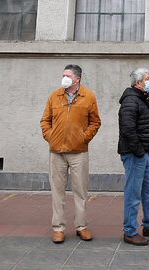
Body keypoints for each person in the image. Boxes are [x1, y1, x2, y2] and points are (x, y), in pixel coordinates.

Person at [40, 64, 101, 243]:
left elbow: (95, 122)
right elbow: (45, 120)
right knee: (57, 192)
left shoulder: (88, 96)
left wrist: (84, 138)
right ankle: (58, 228)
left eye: (67, 75)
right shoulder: (54, 96)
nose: (64, 78)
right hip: (56, 151)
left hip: (78, 151)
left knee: (80, 190)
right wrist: (51, 137)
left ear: (77, 79)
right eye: (63, 74)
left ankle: (81, 226)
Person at [118, 68, 149, 246]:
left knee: (148, 191)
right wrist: (139, 151)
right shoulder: (131, 101)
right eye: (147, 78)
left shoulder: (143, 98)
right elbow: (127, 129)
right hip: (135, 154)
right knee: (133, 194)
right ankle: (130, 231)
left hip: (144, 153)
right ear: (138, 83)